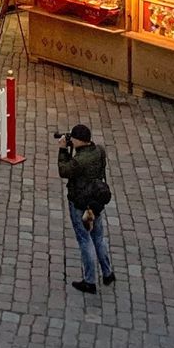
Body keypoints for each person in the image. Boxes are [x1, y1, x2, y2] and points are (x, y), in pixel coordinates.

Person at [58, 124, 115, 295]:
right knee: (98, 236)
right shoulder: (99, 151)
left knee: (85, 240)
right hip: (95, 204)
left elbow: (64, 170)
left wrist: (62, 151)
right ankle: (107, 272)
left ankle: (89, 281)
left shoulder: (79, 161)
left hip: (81, 205)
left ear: (78, 140)